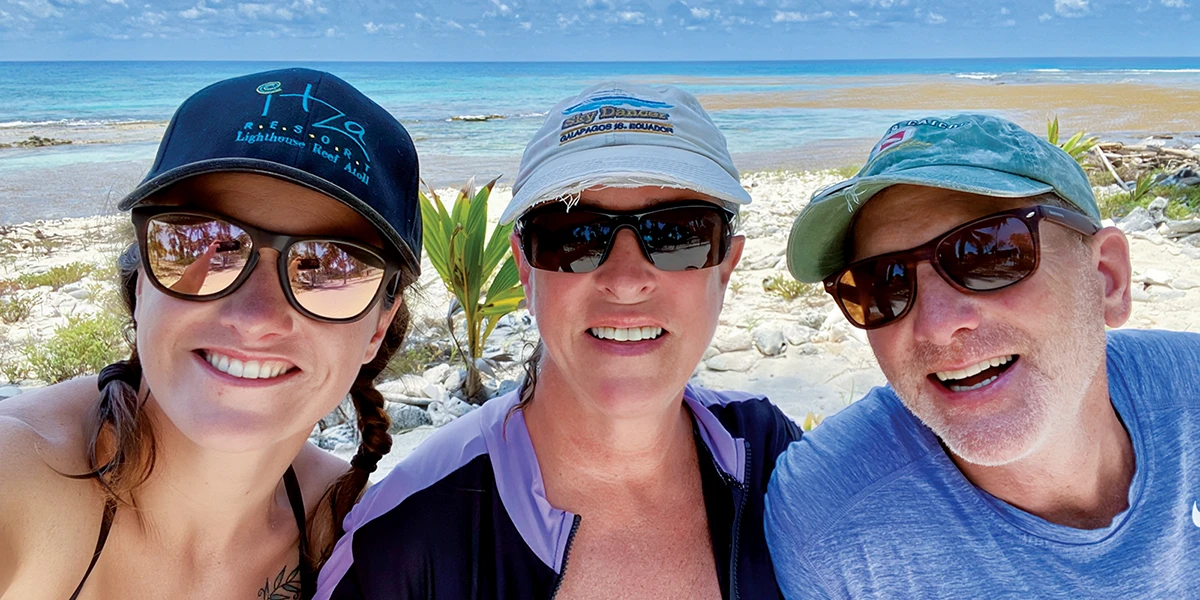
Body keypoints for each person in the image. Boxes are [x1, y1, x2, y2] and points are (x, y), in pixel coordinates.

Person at [316, 82, 801, 599]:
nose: (626, 279)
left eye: (677, 234)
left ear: (726, 267)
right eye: (576, 236)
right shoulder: (409, 539)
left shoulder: (770, 454)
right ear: (525, 269)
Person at [0, 68, 423, 600]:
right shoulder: (19, 477)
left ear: (377, 327)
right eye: (210, 242)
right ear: (141, 285)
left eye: (329, 266)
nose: (255, 318)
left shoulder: (350, 531)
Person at [765, 114, 1200, 598]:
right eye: (882, 284)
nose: (937, 324)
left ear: (1107, 278)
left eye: (988, 255)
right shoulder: (833, 524)